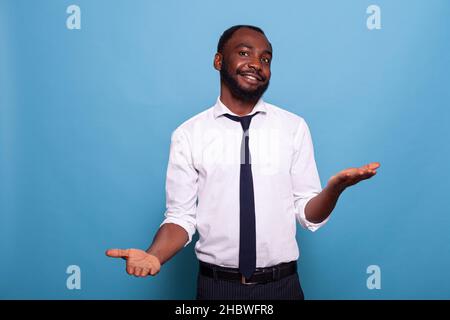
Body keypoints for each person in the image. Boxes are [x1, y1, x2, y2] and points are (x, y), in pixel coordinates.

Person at [106, 25, 380, 300]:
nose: (256, 64)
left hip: (283, 287)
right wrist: (154, 256)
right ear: (219, 61)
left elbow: (308, 215)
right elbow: (181, 217)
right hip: (216, 288)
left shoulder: (293, 127)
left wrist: (334, 189)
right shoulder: (188, 135)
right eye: (244, 53)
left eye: (265, 59)